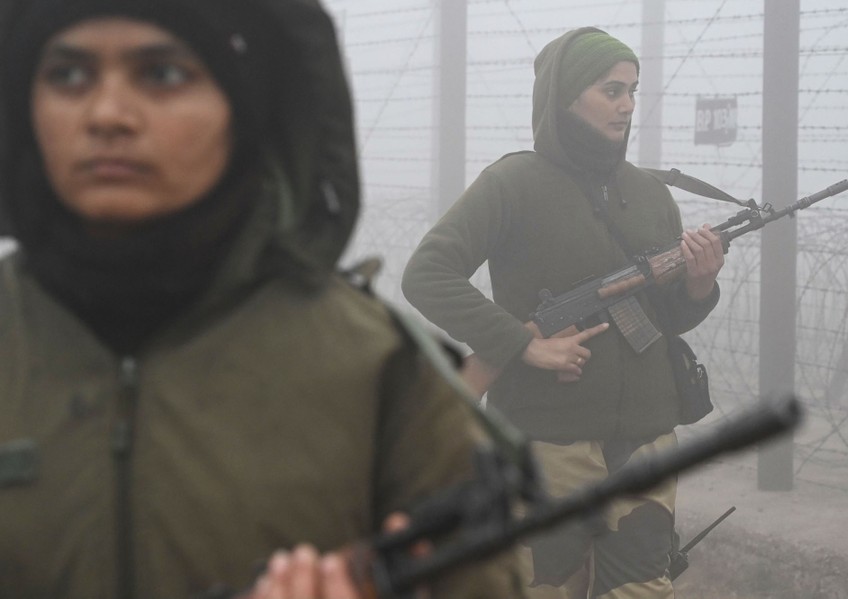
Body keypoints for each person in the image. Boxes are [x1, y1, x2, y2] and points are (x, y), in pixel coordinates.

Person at [0, 1, 525, 597]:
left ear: (244, 108)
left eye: (163, 74)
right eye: (68, 75)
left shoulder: (379, 370)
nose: (107, 115)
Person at [402, 27, 725, 599]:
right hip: (549, 447)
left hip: (646, 445)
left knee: (645, 590)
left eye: (632, 90)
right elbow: (427, 273)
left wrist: (698, 288)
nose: (627, 104)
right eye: (610, 90)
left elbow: (664, 319)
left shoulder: (651, 193)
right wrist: (521, 343)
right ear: (565, 97)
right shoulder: (513, 183)